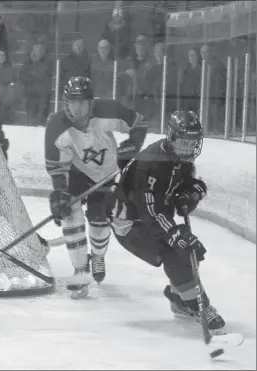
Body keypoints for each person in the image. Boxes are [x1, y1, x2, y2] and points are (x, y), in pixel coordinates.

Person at [104, 110, 225, 334]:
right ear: (171, 138)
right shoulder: (151, 162)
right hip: (130, 223)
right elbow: (149, 211)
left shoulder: (182, 159)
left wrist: (192, 193)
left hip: (150, 217)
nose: (187, 149)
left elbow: (189, 184)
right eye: (183, 142)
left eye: (192, 143)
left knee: (190, 251)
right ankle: (200, 307)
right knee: (178, 251)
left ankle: (179, 299)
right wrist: (174, 233)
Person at [45, 76, 147, 299]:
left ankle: (98, 256)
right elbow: (56, 167)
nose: (78, 107)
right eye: (73, 101)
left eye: (82, 101)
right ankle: (80, 270)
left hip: (107, 174)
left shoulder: (108, 109)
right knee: (70, 214)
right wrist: (60, 192)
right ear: (65, 104)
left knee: (99, 218)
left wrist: (134, 143)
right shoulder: (56, 125)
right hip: (75, 175)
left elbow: (139, 122)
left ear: (91, 102)